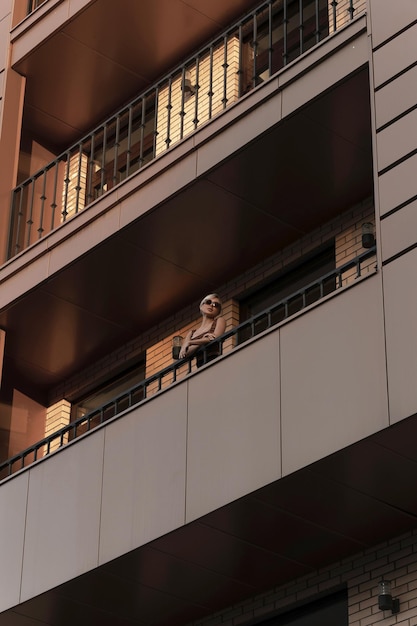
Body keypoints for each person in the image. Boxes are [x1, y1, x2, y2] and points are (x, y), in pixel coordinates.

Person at [179, 293, 226, 367]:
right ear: (201, 305)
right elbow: (185, 354)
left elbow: (215, 338)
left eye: (216, 305)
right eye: (208, 302)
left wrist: (191, 343)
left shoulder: (219, 320)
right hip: (200, 365)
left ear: (218, 311)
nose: (211, 305)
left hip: (214, 361)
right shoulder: (192, 332)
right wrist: (203, 340)